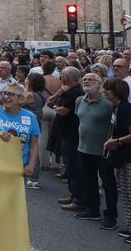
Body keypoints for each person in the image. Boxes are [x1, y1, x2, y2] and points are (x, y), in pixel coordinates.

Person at [102, 78, 131, 245]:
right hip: (127, 158)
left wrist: (117, 141)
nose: (104, 91)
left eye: (107, 89)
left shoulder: (126, 109)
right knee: (129, 195)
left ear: (115, 91)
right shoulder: (119, 107)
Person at [74, 72, 117, 228]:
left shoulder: (108, 103)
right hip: (83, 148)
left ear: (99, 83)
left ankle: (111, 216)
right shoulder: (79, 100)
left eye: (90, 79)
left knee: (108, 184)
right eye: (84, 79)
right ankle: (92, 210)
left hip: (103, 151)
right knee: (89, 181)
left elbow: (116, 124)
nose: (86, 81)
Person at [0, 83, 40, 180]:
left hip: (18, 168)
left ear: (21, 99)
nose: (5, 97)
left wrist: (31, 165)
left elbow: (34, 144)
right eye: (4, 93)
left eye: (10, 94)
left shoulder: (30, 117)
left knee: (15, 195)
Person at [48, 67, 86, 212]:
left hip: (72, 134)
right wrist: (59, 94)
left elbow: (63, 111)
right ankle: (73, 194)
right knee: (69, 165)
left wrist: (57, 106)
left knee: (75, 166)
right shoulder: (66, 91)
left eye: (62, 74)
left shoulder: (76, 93)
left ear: (66, 77)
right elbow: (50, 103)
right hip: (64, 133)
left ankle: (79, 198)